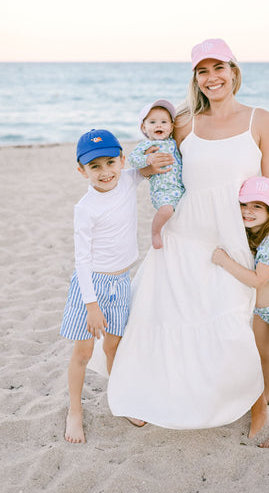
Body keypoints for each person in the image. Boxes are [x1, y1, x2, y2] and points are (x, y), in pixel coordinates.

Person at [98, 38, 269, 436]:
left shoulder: (260, 119)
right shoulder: (185, 121)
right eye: (202, 71)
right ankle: (158, 393)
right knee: (170, 315)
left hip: (233, 236)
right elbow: (159, 166)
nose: (212, 78)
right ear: (196, 78)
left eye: (218, 68)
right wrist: (151, 167)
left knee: (236, 320)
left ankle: (257, 405)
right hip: (185, 234)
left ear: (233, 71)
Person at [60, 128, 168, 443]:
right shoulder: (85, 209)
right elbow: (81, 261)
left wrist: (157, 160)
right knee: (82, 352)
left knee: (114, 347)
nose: (105, 172)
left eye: (110, 162)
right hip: (90, 287)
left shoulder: (127, 179)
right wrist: (91, 306)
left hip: (121, 282)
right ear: (82, 171)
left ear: (121, 160)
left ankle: (122, 400)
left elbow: (146, 170)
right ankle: (75, 411)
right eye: (95, 166)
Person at [212, 176, 269, 447]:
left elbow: (258, 280)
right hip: (261, 311)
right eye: (244, 205)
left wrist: (223, 261)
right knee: (263, 358)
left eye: (257, 207)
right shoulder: (252, 230)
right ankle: (267, 396)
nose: (248, 211)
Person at [128, 99, 185, 249]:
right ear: (144, 128)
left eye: (164, 122)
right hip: (162, 190)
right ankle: (155, 232)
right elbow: (133, 159)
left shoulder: (174, 143)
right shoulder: (147, 145)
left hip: (180, 189)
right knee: (166, 210)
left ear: (171, 127)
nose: (158, 125)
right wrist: (147, 158)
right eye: (152, 122)